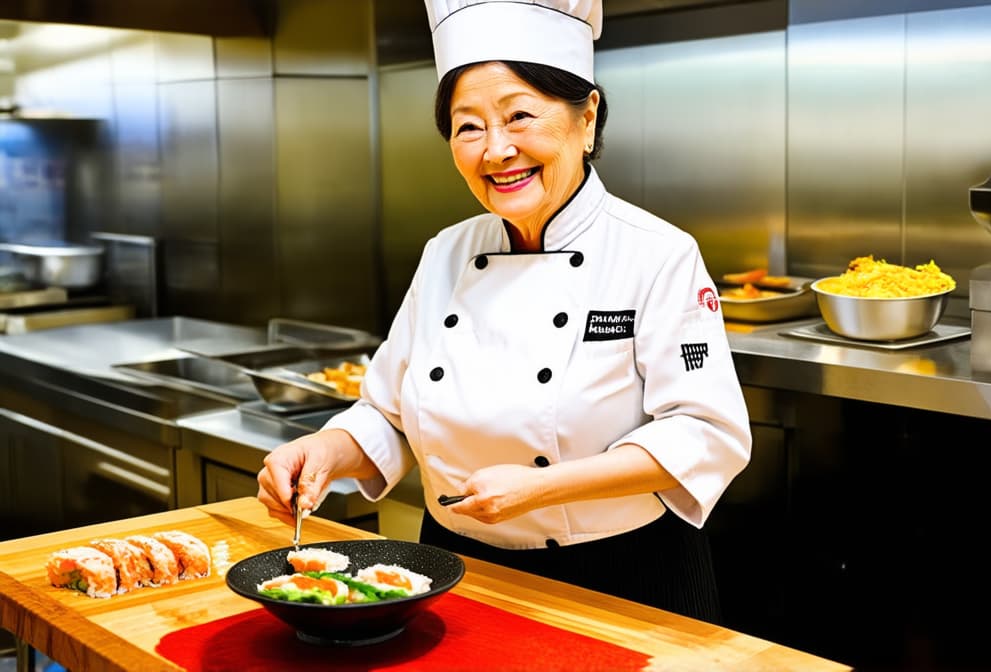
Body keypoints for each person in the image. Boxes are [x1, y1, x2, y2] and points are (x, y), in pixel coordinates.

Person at [257, 0, 752, 622]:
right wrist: (327, 450)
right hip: (455, 570)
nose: (496, 151)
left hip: (620, 577)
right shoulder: (446, 253)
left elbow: (706, 432)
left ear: (586, 116)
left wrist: (544, 486)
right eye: (468, 127)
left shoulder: (656, 254)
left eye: (519, 116)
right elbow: (387, 411)